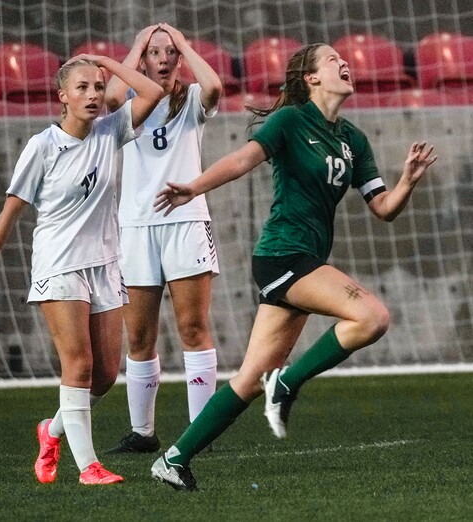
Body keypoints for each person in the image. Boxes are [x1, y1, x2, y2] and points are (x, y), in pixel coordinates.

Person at [149, 43, 437, 491]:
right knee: (372, 316)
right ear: (311, 78)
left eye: (344, 59)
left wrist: (407, 181)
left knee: (247, 380)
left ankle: (173, 458)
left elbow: (383, 208)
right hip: (284, 255)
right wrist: (193, 187)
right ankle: (286, 382)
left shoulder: (354, 140)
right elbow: (243, 159)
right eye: (333, 60)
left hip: (305, 260)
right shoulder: (289, 121)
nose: (345, 63)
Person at [0, 52, 164, 485]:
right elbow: (10, 211)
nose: (92, 95)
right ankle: (88, 467)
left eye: (97, 86)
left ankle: (49, 432)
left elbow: (153, 91)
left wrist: (108, 60)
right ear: (62, 97)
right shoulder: (43, 146)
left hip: (104, 266)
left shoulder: (111, 131)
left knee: (106, 376)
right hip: (59, 265)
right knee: (79, 365)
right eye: (82, 88)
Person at [103, 23, 224, 454]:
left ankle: (201, 431)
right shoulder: (130, 103)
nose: (164, 58)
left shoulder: (192, 100)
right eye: (156, 52)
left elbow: (214, 86)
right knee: (139, 336)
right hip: (135, 226)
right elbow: (111, 97)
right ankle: (142, 432)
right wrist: (135, 44)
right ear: (144, 58)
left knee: (193, 327)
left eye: (170, 52)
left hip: (186, 221)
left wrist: (187, 44)